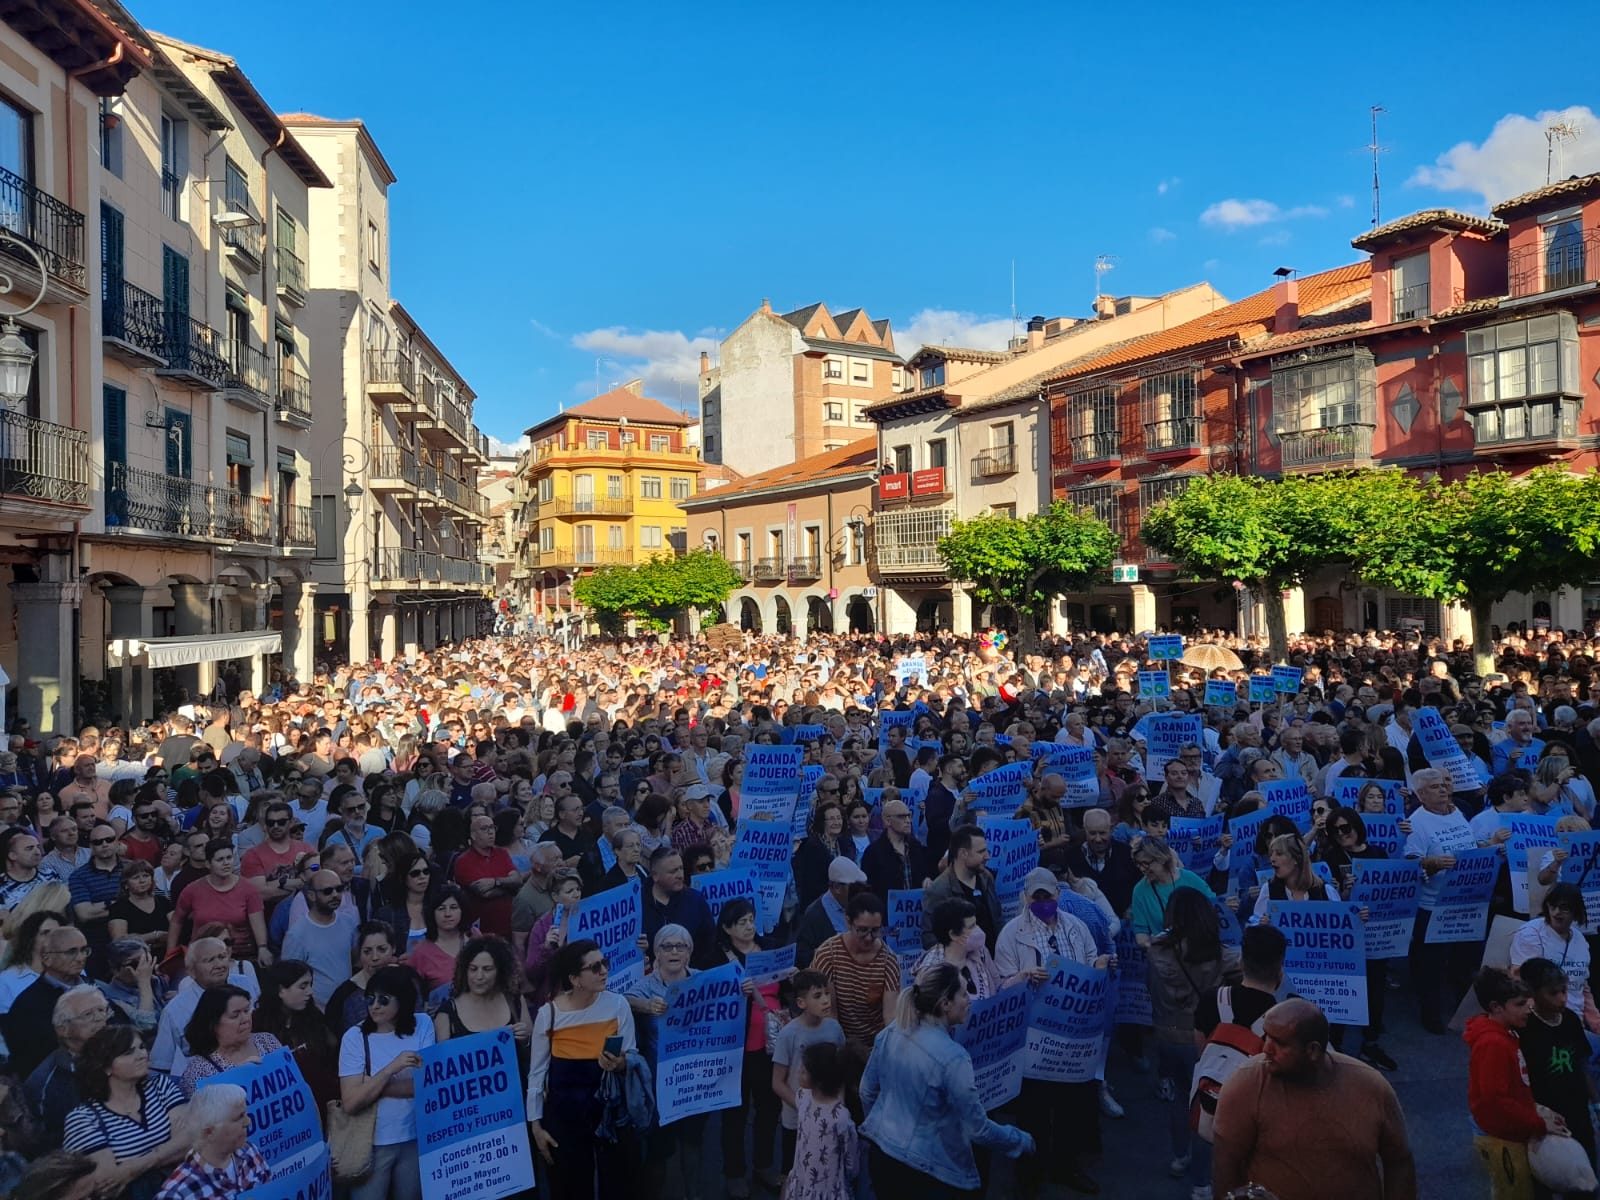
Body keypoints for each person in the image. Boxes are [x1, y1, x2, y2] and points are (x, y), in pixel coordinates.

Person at [1212, 998, 1417, 1200]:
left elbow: (1399, 1161)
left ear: (1312, 1051)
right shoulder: (1245, 1085)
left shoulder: (1371, 1086)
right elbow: (1226, 1165)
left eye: (1279, 1043)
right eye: (1267, 1037)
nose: (1266, 1048)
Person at [859, 961, 1033, 1197]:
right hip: (928, 1174)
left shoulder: (890, 1032)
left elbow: (867, 1091)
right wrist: (1019, 1140)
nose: (968, 999)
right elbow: (978, 1129)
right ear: (945, 1004)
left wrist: (883, 1129)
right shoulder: (954, 1058)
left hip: (882, 1159)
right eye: (963, 993)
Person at [994, 868, 1107, 1196]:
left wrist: (1100, 966)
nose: (1043, 902)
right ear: (1026, 898)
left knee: (1072, 1107)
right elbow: (1001, 986)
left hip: (1072, 1036)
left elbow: (1089, 962)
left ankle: (1065, 1167)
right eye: (1037, 897)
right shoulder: (1011, 934)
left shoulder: (1076, 927)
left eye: (1048, 896)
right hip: (1034, 1038)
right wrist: (1024, 977)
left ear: (1058, 895)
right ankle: (1029, 1175)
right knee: (1035, 1111)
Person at [526, 938, 636, 1200]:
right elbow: (537, 1075)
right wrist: (536, 1126)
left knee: (617, 1184)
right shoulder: (548, 1014)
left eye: (604, 963)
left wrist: (619, 1064)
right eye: (595, 967)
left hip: (609, 1113)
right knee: (569, 1187)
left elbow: (632, 1055)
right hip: (564, 1118)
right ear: (575, 979)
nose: (604, 971)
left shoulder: (618, 1005)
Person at [1148, 886, 1240, 1189]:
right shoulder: (1216, 952)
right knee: (1206, 1108)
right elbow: (1244, 968)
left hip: (1166, 1034)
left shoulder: (1156, 949)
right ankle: (1201, 1182)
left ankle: (1179, 1156)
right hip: (1203, 1038)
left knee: (1177, 1097)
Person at [624, 924, 707, 1200]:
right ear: (656, 953)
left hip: (695, 1079)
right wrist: (645, 1006)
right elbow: (619, 1001)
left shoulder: (703, 980)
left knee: (692, 1143)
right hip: (660, 1083)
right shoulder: (645, 987)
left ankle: (692, 1195)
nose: (674, 951)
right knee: (659, 1148)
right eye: (666, 946)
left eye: (680, 946)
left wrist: (743, 987)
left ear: (690, 952)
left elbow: (732, 988)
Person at [62, 1025, 190, 1200]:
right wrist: (168, 1153)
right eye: (129, 1052)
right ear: (105, 1066)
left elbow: (189, 1142)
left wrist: (133, 1167)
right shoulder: (83, 1119)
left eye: (141, 1047)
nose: (142, 1055)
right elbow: (109, 1183)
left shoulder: (160, 1086)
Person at [337, 965, 430, 1200]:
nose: (374, 1006)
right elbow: (351, 1101)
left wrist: (374, 1086)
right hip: (371, 1142)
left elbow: (428, 1087)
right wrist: (391, 1068)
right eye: (370, 998)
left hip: (415, 1137)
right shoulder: (355, 1037)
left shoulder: (423, 1024)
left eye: (383, 1000)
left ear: (403, 1000)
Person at [1405, 767, 1482, 1033]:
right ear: (1421, 794)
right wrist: (1433, 863)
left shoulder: (1458, 812)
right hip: (1433, 906)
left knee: (1463, 964)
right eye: (1435, 786)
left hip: (1464, 903)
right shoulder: (1417, 823)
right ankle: (1431, 1016)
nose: (1443, 789)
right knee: (1432, 967)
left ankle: (1465, 1013)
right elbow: (1410, 864)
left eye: (1443, 784)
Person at [1517, 956, 1598, 1183]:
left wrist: (1596, 1103)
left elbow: (1582, 1064)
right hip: (1545, 1112)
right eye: (1553, 993)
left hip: (1577, 1109)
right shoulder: (1526, 1028)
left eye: (1564, 991)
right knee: (1545, 1174)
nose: (1562, 999)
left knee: (1585, 1175)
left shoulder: (1570, 1020)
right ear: (1534, 993)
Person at [772, 969, 846, 1175]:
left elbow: (840, 1072)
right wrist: (803, 1107)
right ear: (801, 1003)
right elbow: (777, 1082)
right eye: (817, 996)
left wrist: (839, 1105)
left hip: (829, 1116)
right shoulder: (789, 1034)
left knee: (825, 1169)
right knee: (792, 1170)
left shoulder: (834, 1029)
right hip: (797, 1118)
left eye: (827, 994)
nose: (825, 1000)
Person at [151, 938, 260, 1076]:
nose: (219, 964)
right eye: (209, 960)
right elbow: (161, 1065)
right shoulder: (175, 1011)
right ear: (191, 971)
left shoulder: (245, 983)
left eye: (222, 957)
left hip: (256, 1069)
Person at [4, 926, 99, 1081]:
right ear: (46, 958)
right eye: (71, 952)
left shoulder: (95, 987)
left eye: (84, 950)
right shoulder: (29, 1005)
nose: (80, 957)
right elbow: (39, 1055)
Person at [810, 893, 901, 1053]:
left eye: (875, 931)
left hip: (874, 1046)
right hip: (836, 1042)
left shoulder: (889, 961)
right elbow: (829, 1012)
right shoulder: (828, 954)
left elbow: (890, 1016)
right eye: (862, 930)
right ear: (848, 922)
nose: (868, 938)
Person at [433, 935, 532, 1080]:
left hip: (514, 1097)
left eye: (487, 969)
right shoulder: (447, 1013)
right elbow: (443, 1071)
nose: (479, 976)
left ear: (500, 971)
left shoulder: (515, 1000)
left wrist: (526, 1040)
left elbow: (533, 1055)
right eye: (473, 969)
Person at [26, 985, 111, 1150]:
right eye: (87, 1014)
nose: (99, 1018)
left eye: (102, 1010)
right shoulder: (47, 1081)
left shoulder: (124, 1051)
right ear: (62, 1029)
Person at [152, 1082, 271, 1200]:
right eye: (239, 1117)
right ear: (209, 1132)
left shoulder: (250, 1151)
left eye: (245, 1114)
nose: (248, 1122)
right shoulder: (178, 1194)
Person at [252, 959, 339, 1118]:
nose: (310, 992)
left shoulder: (315, 1018)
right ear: (280, 990)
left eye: (310, 985)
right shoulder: (257, 1025)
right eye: (303, 986)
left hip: (323, 1108)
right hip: (284, 1113)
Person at [167, 841, 268, 965]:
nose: (226, 863)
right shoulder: (192, 890)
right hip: (203, 955)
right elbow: (176, 920)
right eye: (220, 859)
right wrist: (170, 953)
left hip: (240, 954)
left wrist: (262, 947)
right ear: (208, 864)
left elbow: (258, 922)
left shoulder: (249, 889)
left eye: (229, 858)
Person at [174, 984, 282, 1096]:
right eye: (235, 1015)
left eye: (246, 1011)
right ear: (213, 1023)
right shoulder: (199, 1072)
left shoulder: (267, 1041)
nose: (245, 1019)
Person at [785, 1041, 860, 1200]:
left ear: (819, 1079)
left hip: (826, 1189)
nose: (798, 1072)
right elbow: (852, 1163)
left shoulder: (840, 1118)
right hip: (805, 1179)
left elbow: (850, 1160)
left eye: (804, 1071)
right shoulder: (802, 1097)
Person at [1509, 882, 1590, 1018]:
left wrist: (1596, 1023)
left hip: (1576, 1018)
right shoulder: (1531, 933)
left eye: (1564, 908)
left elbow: (1583, 987)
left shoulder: (1580, 938)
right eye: (1553, 906)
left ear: (1575, 910)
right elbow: (1520, 979)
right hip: (1543, 1017)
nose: (1557, 912)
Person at [281, 869, 357, 1006]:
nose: (335, 895)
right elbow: (288, 979)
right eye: (327, 891)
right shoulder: (297, 934)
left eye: (339, 889)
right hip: (316, 1012)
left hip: (346, 1006)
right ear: (311, 895)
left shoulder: (349, 923)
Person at [921, 825, 1002, 950]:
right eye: (981, 852)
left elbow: (997, 918)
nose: (987, 856)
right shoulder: (939, 891)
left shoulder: (986, 877)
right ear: (963, 853)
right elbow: (930, 938)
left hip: (991, 962)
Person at [913, 898, 1010, 1000]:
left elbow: (998, 988)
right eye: (971, 926)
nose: (978, 930)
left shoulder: (981, 951)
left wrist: (1018, 980)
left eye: (976, 924)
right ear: (953, 935)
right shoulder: (932, 974)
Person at [640, 847, 716, 970]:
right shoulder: (637, 906)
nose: (680, 875)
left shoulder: (696, 901)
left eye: (681, 869)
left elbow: (709, 943)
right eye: (673, 871)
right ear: (655, 875)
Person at [1130, 840, 1214, 948]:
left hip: (1199, 949)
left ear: (1161, 859)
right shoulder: (1139, 891)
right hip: (1166, 956)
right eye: (1138, 864)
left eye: (1145, 863)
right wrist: (1150, 944)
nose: (1141, 869)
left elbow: (1213, 905)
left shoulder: (1190, 879)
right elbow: (1141, 932)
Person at [325, 922, 398, 1038]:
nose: (375, 957)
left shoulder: (410, 982)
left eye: (382, 949)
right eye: (367, 951)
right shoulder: (344, 995)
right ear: (359, 954)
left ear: (393, 948)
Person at [453, 811, 519, 938]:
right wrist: (510, 889)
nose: (491, 832)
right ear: (473, 835)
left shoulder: (502, 853)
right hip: (482, 932)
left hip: (508, 928)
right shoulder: (464, 861)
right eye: (485, 829)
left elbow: (517, 880)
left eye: (492, 828)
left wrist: (495, 882)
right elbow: (484, 893)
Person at [1064, 808, 1139, 918]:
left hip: (1124, 922)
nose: (1098, 839)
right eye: (1093, 833)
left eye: (1102, 833)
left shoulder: (1127, 853)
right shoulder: (1070, 857)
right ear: (1085, 830)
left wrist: (1132, 908)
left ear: (1111, 829)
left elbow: (1139, 886)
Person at [794, 857, 865, 971]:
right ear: (837, 887)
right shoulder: (814, 915)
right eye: (855, 887)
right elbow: (803, 956)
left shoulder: (860, 905)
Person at [860, 797, 933, 900]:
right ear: (887, 821)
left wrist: (926, 880)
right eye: (902, 817)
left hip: (915, 911)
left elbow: (925, 873)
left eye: (909, 816)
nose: (908, 821)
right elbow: (868, 890)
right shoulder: (873, 853)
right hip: (886, 912)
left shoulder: (916, 847)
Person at [402, 885, 466, 994]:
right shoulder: (421, 952)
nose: (448, 914)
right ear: (432, 913)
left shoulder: (475, 938)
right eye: (441, 909)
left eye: (453, 907)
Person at [108, 859, 173, 954]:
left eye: (146, 876)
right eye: (136, 877)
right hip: (135, 957)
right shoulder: (118, 908)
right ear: (126, 884)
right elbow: (120, 941)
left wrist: (139, 938)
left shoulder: (163, 902)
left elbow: (176, 931)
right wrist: (156, 935)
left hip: (167, 955)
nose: (142, 881)